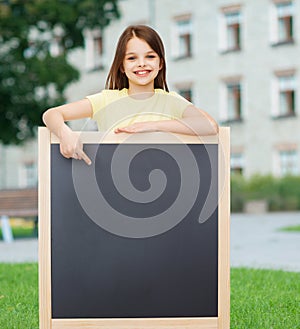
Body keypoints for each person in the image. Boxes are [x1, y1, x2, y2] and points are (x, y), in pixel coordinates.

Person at [43, 25, 218, 165]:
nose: (141, 64)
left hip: (164, 191)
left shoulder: (170, 101)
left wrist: (152, 126)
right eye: (132, 58)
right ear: (122, 66)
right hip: (112, 188)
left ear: (161, 63)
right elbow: (52, 114)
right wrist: (65, 133)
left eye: (150, 56)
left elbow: (209, 126)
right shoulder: (107, 100)